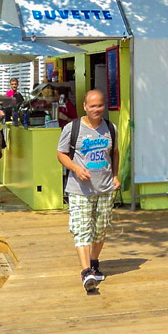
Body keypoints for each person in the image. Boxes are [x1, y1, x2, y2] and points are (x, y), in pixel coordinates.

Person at [56, 90, 120, 293]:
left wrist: (116, 176)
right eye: (92, 106)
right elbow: (61, 153)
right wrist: (75, 168)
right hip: (79, 189)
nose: (96, 109)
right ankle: (86, 272)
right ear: (85, 106)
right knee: (82, 229)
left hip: (105, 188)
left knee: (100, 229)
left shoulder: (111, 128)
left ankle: (93, 261)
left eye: (100, 105)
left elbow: (115, 153)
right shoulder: (72, 128)